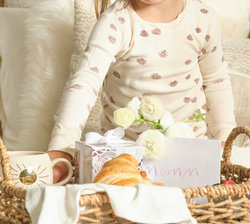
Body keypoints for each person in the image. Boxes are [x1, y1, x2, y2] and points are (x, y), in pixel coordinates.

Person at [48, 0, 236, 183]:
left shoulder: (203, 19)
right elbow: (86, 82)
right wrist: (62, 146)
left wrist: (226, 137)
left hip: (190, 158)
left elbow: (215, 81)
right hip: (125, 158)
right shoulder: (116, 21)